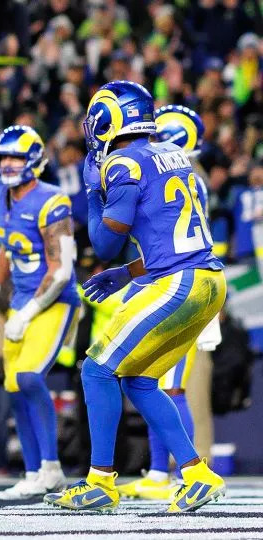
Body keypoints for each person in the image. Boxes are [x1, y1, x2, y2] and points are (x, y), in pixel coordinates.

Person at [46, 81, 226, 513]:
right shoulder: (173, 155)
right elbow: (170, 237)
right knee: (138, 379)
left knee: (95, 369)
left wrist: (92, 192)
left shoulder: (122, 161)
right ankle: (197, 474)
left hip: (178, 282)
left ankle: (100, 482)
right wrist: (127, 273)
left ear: (112, 116)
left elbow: (104, 243)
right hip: (206, 281)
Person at [116, 105, 222, 499]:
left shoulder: (179, 177)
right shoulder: (187, 176)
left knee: (171, 387)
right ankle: (161, 473)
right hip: (169, 280)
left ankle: (185, 476)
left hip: (178, 284)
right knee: (152, 382)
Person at [0, 125, 79, 500]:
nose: (8, 164)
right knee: (14, 388)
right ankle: (33, 470)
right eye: (3, 157)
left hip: (54, 301)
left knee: (27, 376)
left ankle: (53, 469)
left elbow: (63, 269)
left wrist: (30, 310)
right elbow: (8, 247)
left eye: (16, 157)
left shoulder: (54, 201)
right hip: (20, 300)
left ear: (34, 161)